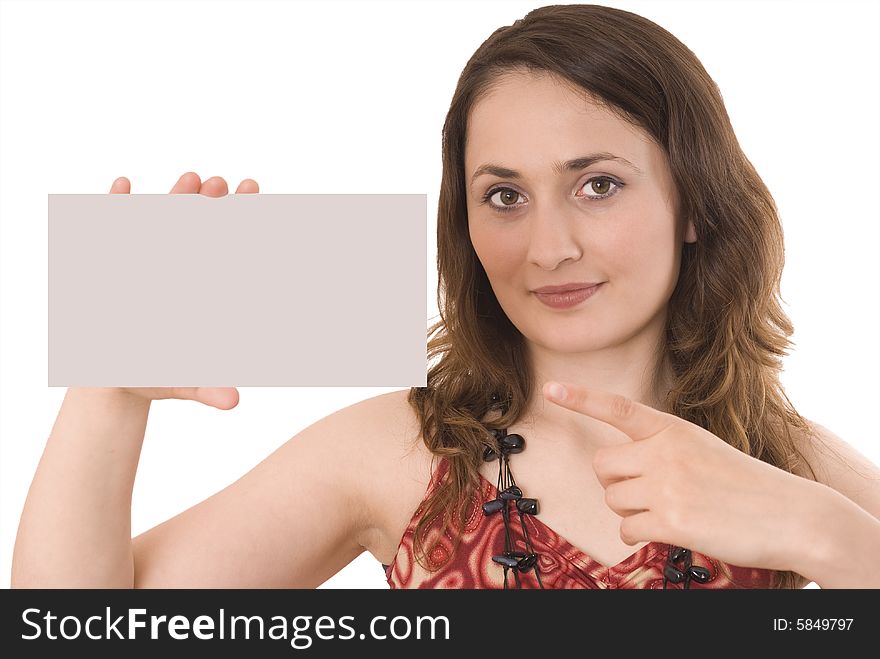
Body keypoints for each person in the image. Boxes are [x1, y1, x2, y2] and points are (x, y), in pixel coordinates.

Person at [11, 3, 880, 590]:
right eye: (504, 195)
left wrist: (830, 537)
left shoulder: (783, 458)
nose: (549, 247)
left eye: (598, 185)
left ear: (693, 201)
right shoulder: (397, 448)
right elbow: (74, 636)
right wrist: (108, 389)